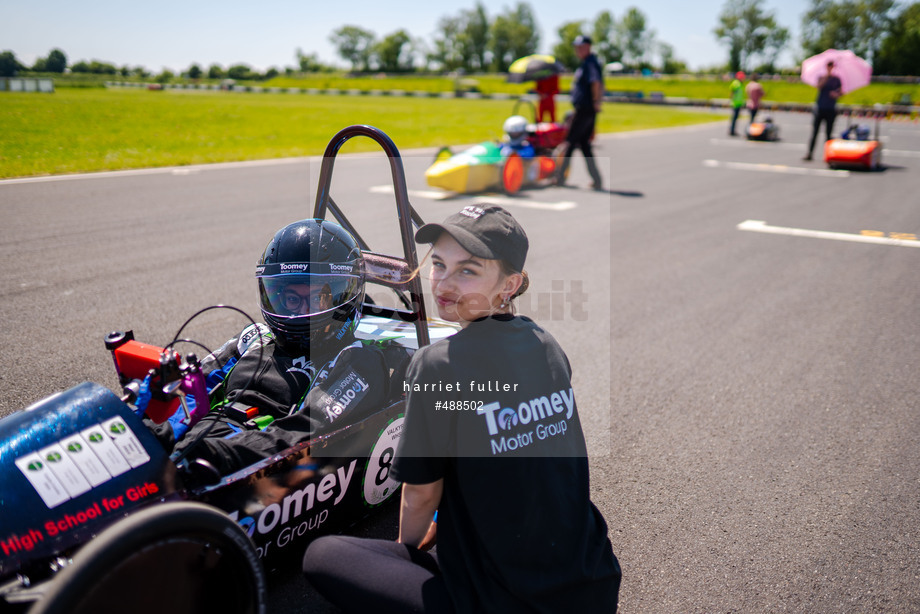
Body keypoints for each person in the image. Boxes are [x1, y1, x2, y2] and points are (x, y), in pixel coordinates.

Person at [303, 205, 622, 614]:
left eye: (467, 270)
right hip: (592, 585)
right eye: (438, 264)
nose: (444, 283)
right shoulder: (547, 345)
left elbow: (420, 495)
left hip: (508, 603)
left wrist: (404, 558)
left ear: (510, 284)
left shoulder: (439, 365)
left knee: (323, 554)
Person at [143, 218, 408, 476]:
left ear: (344, 296)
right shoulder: (255, 336)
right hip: (203, 440)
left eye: (317, 298)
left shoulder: (358, 360)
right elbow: (192, 388)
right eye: (291, 298)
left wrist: (217, 453)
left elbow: (306, 430)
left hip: (250, 463)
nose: (300, 312)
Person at [556, 35, 604, 190]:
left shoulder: (590, 63)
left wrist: (596, 102)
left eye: (580, 47)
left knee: (570, 141)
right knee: (584, 144)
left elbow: (596, 83)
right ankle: (597, 179)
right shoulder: (588, 63)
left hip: (585, 108)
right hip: (586, 107)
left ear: (588, 47)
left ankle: (560, 177)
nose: (577, 50)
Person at [803, 60, 843, 161]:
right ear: (826, 66)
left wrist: (836, 94)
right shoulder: (822, 77)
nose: (831, 67)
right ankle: (810, 153)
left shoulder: (837, 79)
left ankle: (828, 155)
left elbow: (841, 92)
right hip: (820, 108)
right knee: (815, 132)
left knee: (828, 134)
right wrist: (827, 77)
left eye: (832, 66)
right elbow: (819, 86)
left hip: (831, 109)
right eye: (829, 65)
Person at [729, 71, 745, 136]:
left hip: (739, 103)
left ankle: (733, 130)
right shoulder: (736, 83)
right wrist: (731, 100)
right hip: (735, 103)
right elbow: (732, 92)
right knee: (734, 118)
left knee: (736, 118)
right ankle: (732, 130)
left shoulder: (741, 84)